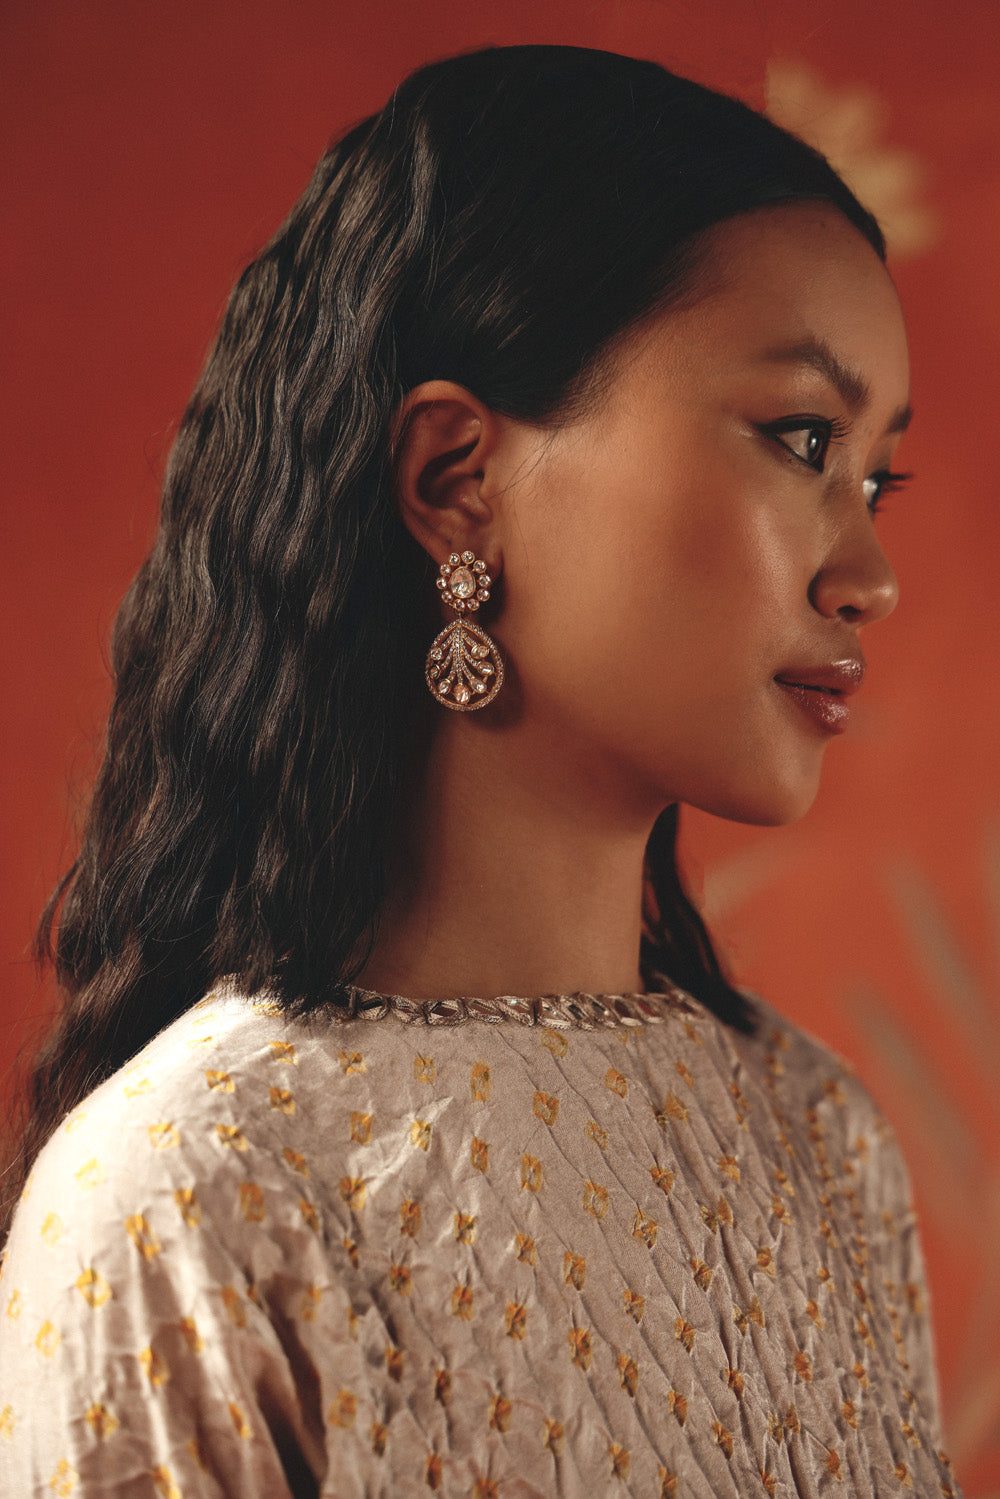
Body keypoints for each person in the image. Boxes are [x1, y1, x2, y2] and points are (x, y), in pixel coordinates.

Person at [0, 42, 960, 1499]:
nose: (871, 573)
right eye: (801, 439)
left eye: (876, 475)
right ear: (456, 479)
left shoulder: (817, 1138)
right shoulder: (195, 1192)